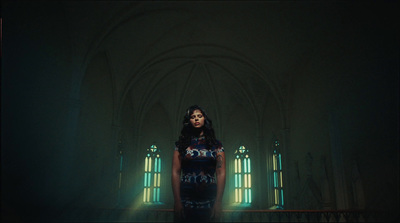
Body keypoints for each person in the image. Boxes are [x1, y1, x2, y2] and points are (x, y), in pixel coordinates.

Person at [171, 105, 226, 222]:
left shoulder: (216, 145)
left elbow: (221, 172)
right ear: (188, 121)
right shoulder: (180, 145)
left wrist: (218, 202)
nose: (196, 119)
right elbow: (175, 172)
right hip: (186, 200)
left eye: (199, 116)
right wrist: (177, 201)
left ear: (204, 119)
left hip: (209, 200)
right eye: (193, 117)